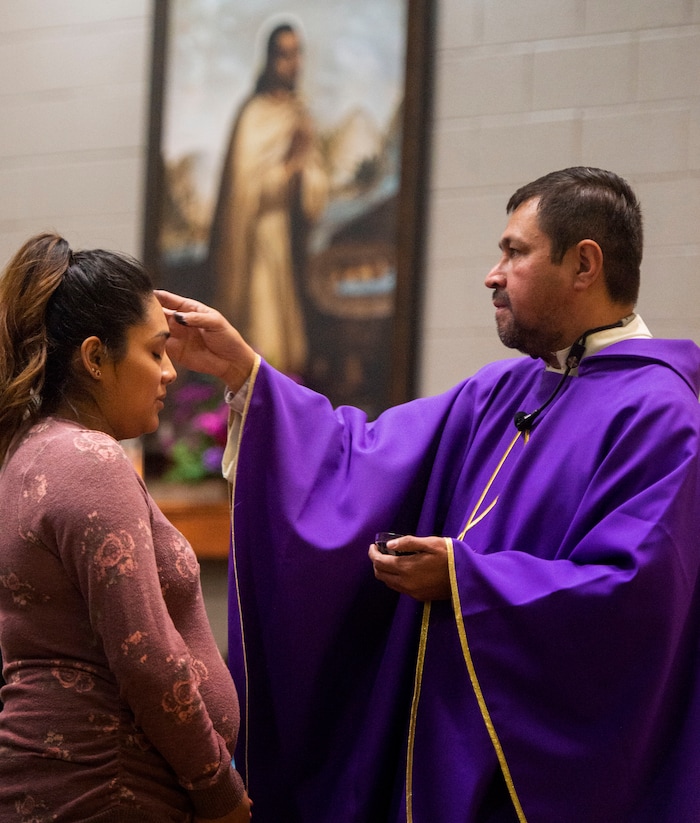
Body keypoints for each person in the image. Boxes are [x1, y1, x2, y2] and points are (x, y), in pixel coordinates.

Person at [157, 167, 700, 822]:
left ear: (584, 263)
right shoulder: (508, 391)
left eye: (514, 252)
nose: (492, 274)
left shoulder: (660, 411)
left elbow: (635, 599)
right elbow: (360, 457)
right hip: (447, 755)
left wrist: (468, 579)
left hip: (534, 774)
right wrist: (247, 374)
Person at [0, 233, 252, 822]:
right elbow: (145, 655)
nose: (169, 372)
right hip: (104, 788)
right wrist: (221, 795)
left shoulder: (28, 449)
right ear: (93, 358)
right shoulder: (89, 458)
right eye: (155, 351)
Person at [208, 21, 328, 375]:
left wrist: (304, 174)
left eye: (297, 54)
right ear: (271, 60)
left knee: (291, 348)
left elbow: (316, 183)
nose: (294, 64)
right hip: (258, 241)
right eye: (286, 56)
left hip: (289, 244)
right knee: (265, 338)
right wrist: (290, 169)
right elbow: (245, 192)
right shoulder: (254, 115)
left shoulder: (298, 114)